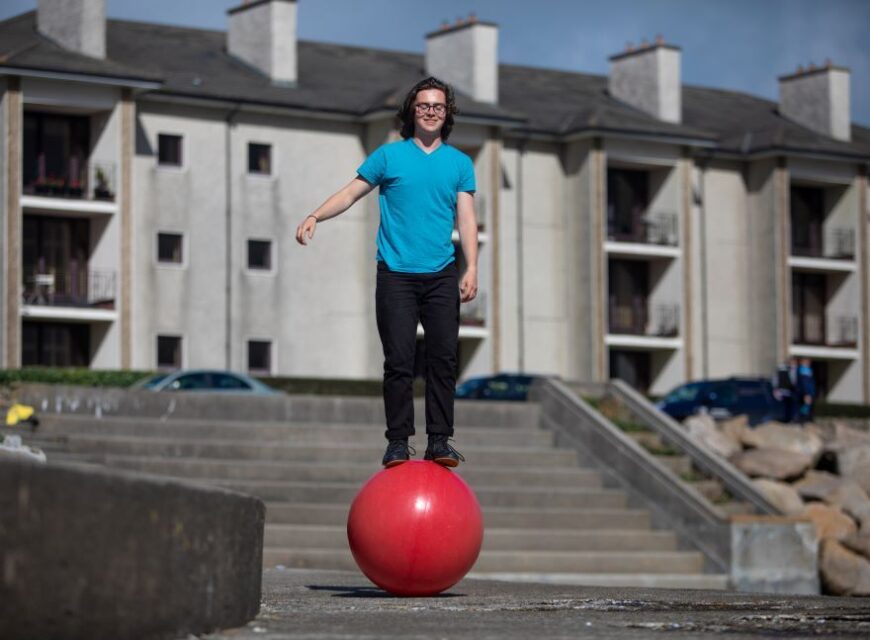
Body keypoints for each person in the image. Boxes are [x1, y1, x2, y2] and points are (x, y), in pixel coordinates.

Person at [295, 77, 478, 468]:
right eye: (424, 105)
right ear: (412, 111)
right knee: (399, 361)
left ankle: (440, 441)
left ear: (447, 114)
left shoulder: (460, 164)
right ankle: (397, 442)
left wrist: (473, 267)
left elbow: (466, 219)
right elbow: (350, 193)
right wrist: (315, 215)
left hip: (442, 274)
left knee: (443, 360)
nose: (431, 112)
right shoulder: (389, 157)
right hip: (396, 275)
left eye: (438, 106)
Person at [796, 358, 817, 423]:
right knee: (805, 406)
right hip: (806, 392)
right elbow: (805, 383)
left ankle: (805, 419)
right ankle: (803, 419)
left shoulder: (807, 370)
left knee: (807, 406)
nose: (809, 363)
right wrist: (807, 393)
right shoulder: (803, 370)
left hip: (808, 392)